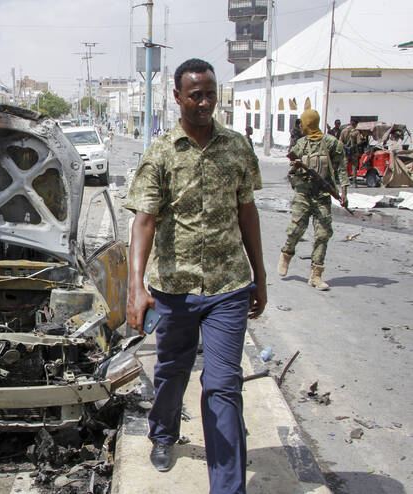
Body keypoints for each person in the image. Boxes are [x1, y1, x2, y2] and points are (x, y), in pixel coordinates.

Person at [125, 58, 266, 493]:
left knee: (223, 384)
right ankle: (164, 434)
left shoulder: (238, 147)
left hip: (228, 287)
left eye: (210, 93)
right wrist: (136, 289)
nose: (205, 103)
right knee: (172, 370)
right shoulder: (162, 153)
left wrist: (260, 275)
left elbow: (247, 212)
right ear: (177, 97)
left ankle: (227, 487)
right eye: (195, 95)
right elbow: (144, 221)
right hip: (175, 289)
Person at [278, 109, 349, 290]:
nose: (301, 126)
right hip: (303, 193)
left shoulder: (331, 144)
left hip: (322, 195)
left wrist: (343, 193)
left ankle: (316, 275)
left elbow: (341, 168)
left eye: (303, 122)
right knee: (296, 228)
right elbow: (291, 168)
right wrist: (295, 169)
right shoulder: (300, 145)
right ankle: (286, 254)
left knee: (323, 234)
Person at [339, 118, 362, 187]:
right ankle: (354, 182)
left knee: (345, 166)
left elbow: (340, 141)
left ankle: (344, 181)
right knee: (354, 166)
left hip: (346, 151)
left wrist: (345, 147)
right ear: (355, 124)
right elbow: (359, 142)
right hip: (354, 152)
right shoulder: (356, 132)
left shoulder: (344, 131)